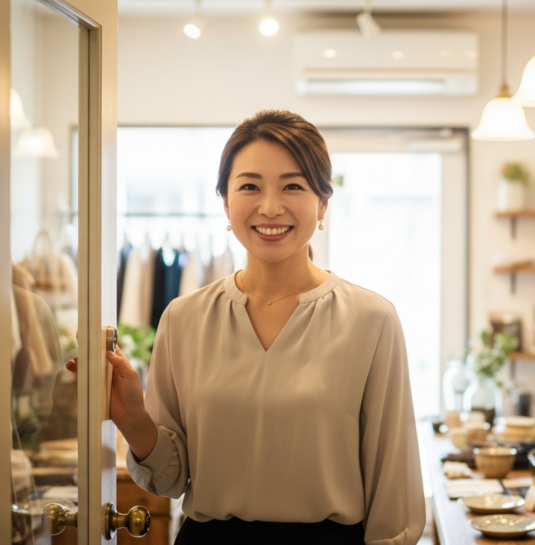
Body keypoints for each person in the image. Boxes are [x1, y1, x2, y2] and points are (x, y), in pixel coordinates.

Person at [68, 110, 425, 545]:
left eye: (293, 185)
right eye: (250, 186)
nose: (270, 207)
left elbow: (395, 490)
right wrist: (134, 420)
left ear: (323, 204)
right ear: (225, 203)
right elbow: (171, 479)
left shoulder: (371, 319)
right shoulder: (184, 318)